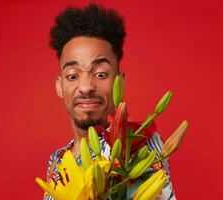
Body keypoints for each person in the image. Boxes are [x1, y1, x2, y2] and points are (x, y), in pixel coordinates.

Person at [44, 3, 175, 200]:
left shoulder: (137, 145)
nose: (86, 86)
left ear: (119, 83)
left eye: (100, 74)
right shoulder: (58, 160)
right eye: (72, 76)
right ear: (59, 86)